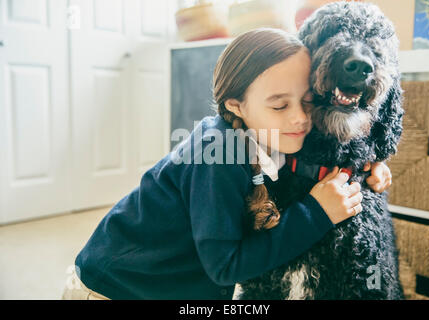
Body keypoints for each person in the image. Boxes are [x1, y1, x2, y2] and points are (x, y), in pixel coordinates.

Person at [62, 28, 392, 300]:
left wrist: (366, 168)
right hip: (113, 289)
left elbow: (319, 160)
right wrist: (316, 213)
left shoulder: (271, 133)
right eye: (280, 106)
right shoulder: (219, 152)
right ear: (237, 105)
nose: (300, 117)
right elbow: (226, 266)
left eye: (307, 101)